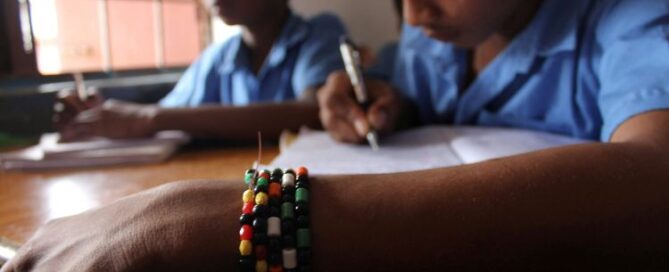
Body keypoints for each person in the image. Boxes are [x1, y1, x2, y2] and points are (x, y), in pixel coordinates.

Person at [4, 0, 669, 271]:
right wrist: (380, 104)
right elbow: (411, 104)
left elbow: (656, 180)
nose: (411, 11)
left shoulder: (628, 20)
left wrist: (250, 218)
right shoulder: (430, 37)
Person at [54, 0, 346, 142]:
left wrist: (147, 117)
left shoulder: (318, 33)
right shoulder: (218, 58)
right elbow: (166, 114)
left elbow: (313, 110)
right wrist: (98, 115)